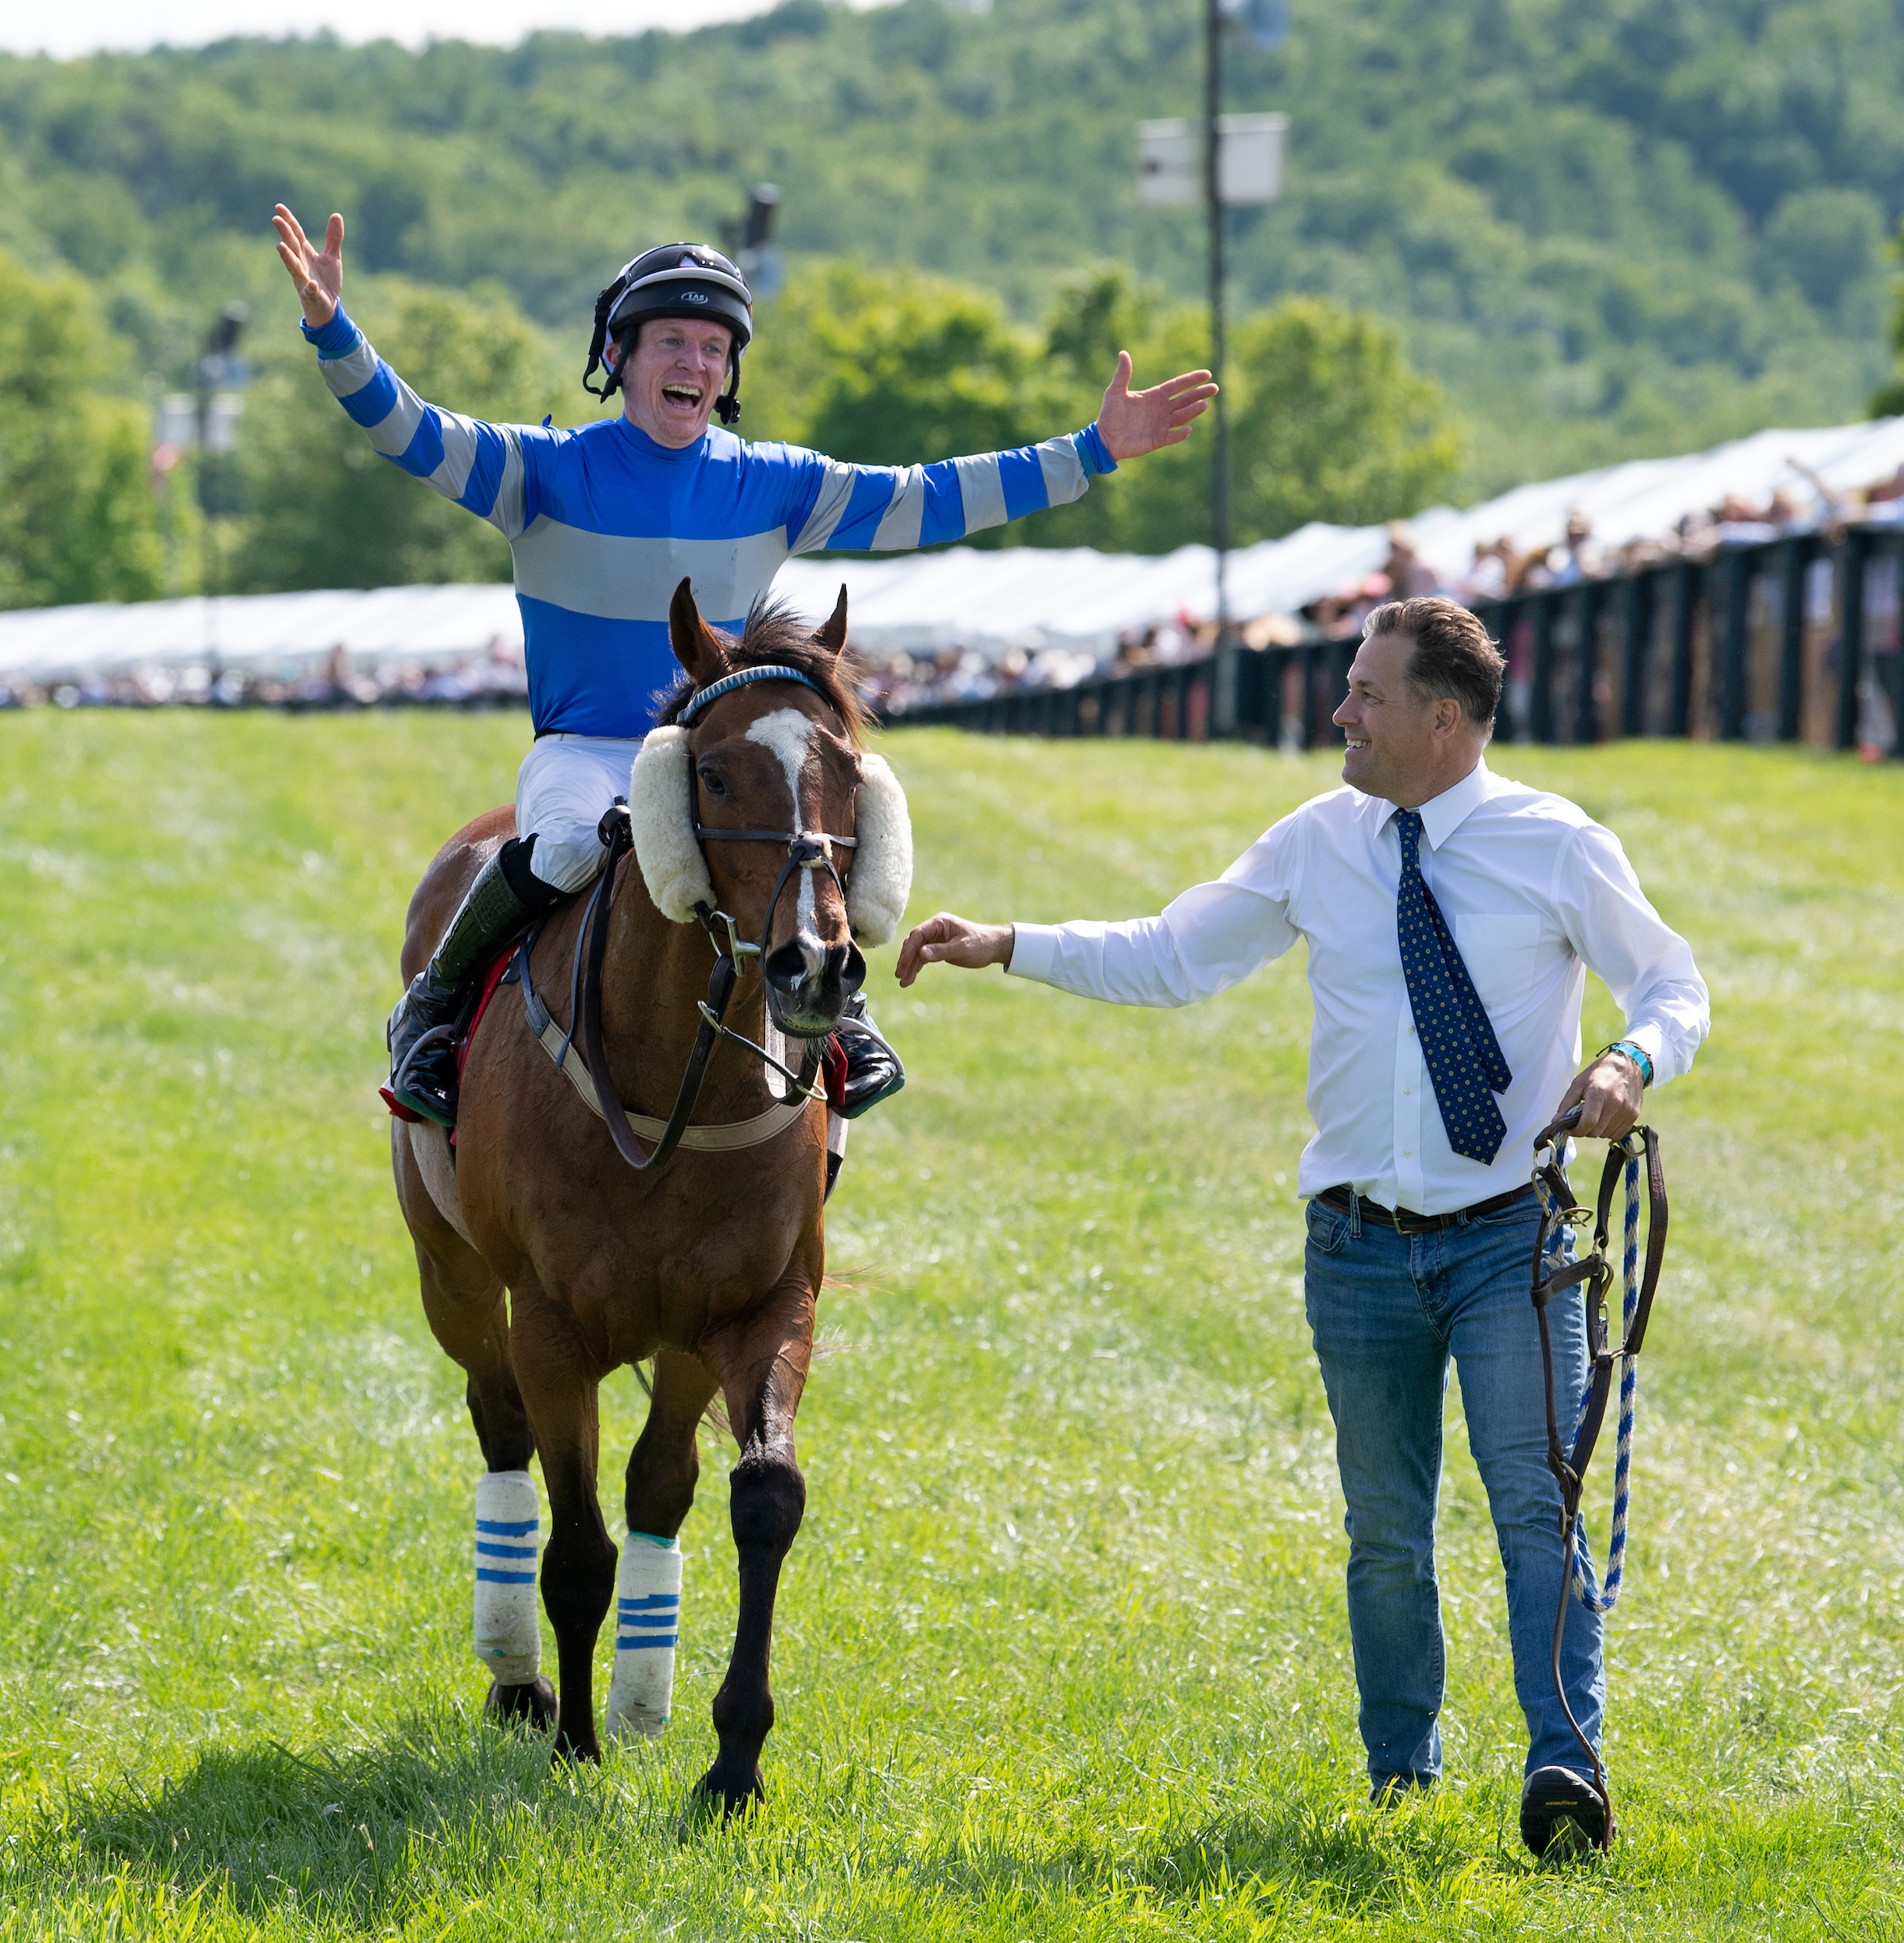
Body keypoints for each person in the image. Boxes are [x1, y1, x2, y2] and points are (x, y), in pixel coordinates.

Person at [893, 597, 1709, 1856]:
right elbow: (1175, 953)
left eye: (1367, 697)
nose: (1340, 715)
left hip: (1509, 1244)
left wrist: (1630, 1060)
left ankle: (1564, 1772)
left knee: (1533, 1511)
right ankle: (1402, 1778)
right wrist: (1008, 944)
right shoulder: (1320, 839)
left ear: (1444, 720)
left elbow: (1673, 981)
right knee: (1384, 1533)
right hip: (1357, 1250)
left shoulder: (1555, 844)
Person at [272, 206, 1216, 1128]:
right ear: (619, 358)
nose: (694, 363)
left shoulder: (774, 481)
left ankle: (843, 1016)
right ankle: (433, 1010)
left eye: (713, 348)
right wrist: (333, 331)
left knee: (837, 819)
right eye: (671, 341)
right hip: (589, 752)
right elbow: (410, 430)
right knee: (563, 848)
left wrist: (1089, 453)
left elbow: (927, 497)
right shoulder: (542, 469)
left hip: (713, 753)